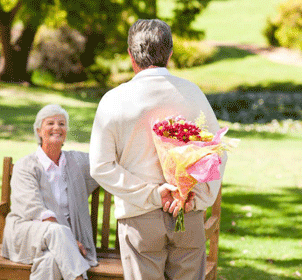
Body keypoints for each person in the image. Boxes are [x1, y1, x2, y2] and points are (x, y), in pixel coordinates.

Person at [89, 19, 227, 280]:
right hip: (188, 212)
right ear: (170, 54)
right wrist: (195, 197)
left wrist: (154, 195)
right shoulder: (192, 94)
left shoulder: (114, 100)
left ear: (131, 55)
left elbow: (100, 166)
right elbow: (217, 154)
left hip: (140, 220)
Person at [2, 104, 99, 280]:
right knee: (56, 232)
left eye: (62, 124)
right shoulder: (26, 166)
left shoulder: (77, 162)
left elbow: (104, 163)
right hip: (27, 234)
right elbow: (34, 209)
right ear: (39, 131)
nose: (57, 128)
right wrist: (70, 242)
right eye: (50, 123)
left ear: (66, 132)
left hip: (60, 243)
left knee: (52, 260)